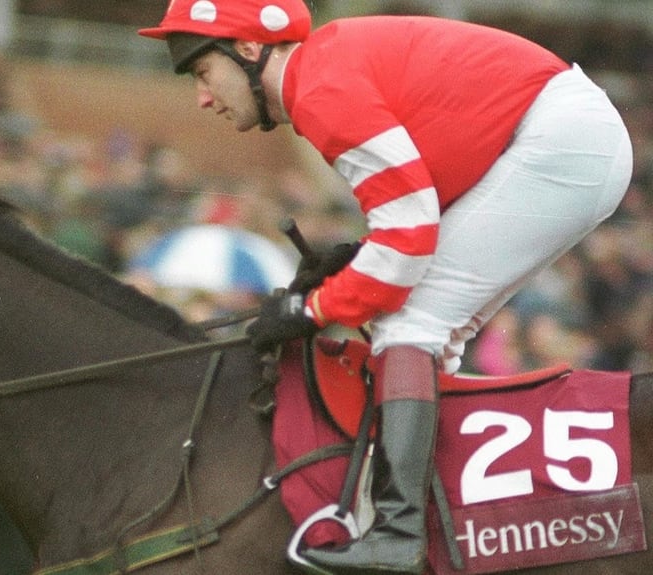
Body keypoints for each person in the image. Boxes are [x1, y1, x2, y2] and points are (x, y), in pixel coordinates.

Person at [139, 2, 633, 574]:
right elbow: (405, 224)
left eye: (202, 73)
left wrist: (312, 308)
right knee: (425, 330)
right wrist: (350, 268)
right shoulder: (323, 71)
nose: (203, 98)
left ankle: (399, 532)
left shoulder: (319, 88)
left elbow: (406, 244)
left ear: (248, 50)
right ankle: (440, 517)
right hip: (567, 136)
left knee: (412, 324)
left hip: (562, 141)